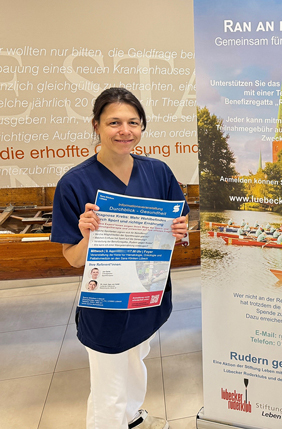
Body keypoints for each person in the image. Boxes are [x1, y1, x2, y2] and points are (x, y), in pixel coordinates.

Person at [51, 87, 189, 429]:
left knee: (134, 362)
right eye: (114, 122)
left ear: (142, 127)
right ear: (96, 125)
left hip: (146, 293)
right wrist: (86, 236)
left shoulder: (158, 173)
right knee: (108, 389)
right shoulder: (74, 184)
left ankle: (133, 418)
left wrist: (180, 232)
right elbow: (72, 259)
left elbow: (179, 231)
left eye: (133, 122)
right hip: (106, 302)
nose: (124, 130)